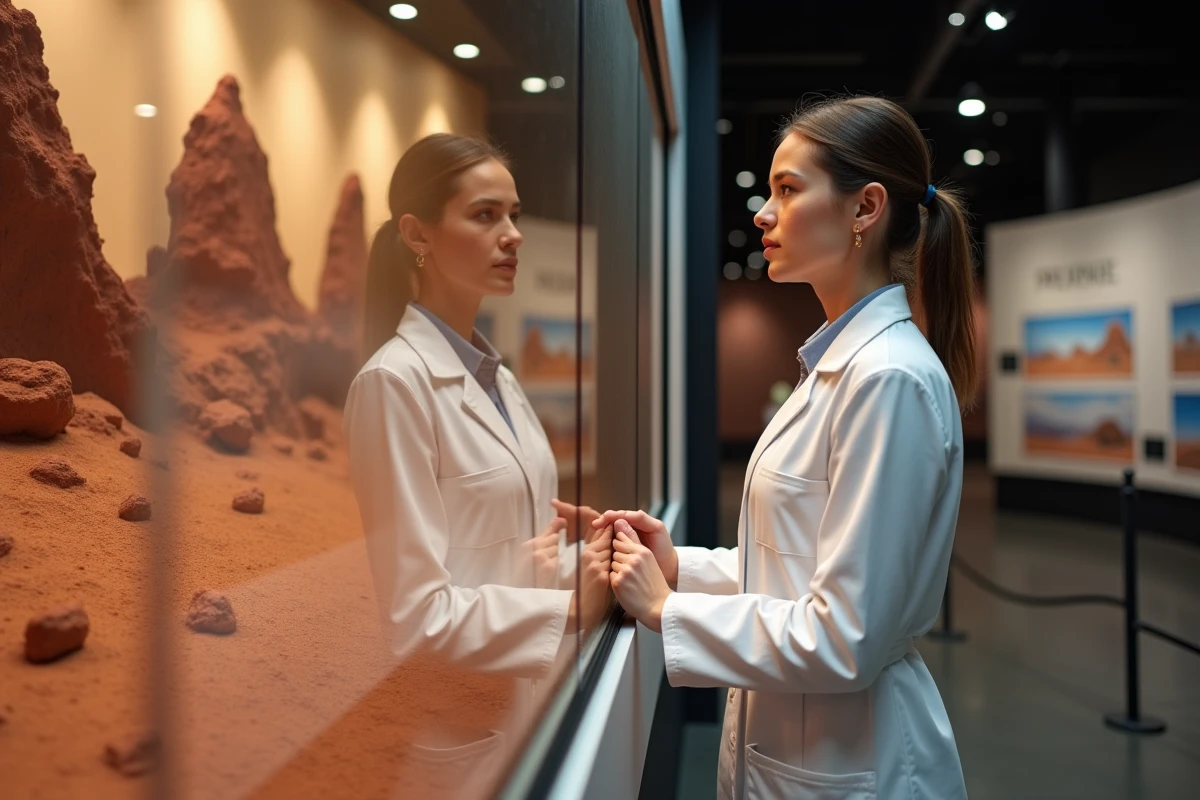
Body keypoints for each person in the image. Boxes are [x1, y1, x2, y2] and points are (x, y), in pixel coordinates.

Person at [596, 96, 976, 800]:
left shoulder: (886, 378)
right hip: (801, 749)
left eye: (787, 190)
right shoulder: (839, 366)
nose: (762, 214)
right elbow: (803, 566)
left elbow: (846, 635)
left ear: (865, 209)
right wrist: (679, 566)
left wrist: (666, 610)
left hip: (854, 762)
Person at [342, 133, 611, 791]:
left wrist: (599, 552)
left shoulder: (497, 378)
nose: (513, 234)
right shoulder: (394, 384)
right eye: (486, 215)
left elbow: (510, 556)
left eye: (514, 214)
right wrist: (572, 608)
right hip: (459, 742)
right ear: (418, 234)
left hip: (534, 709)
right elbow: (415, 618)